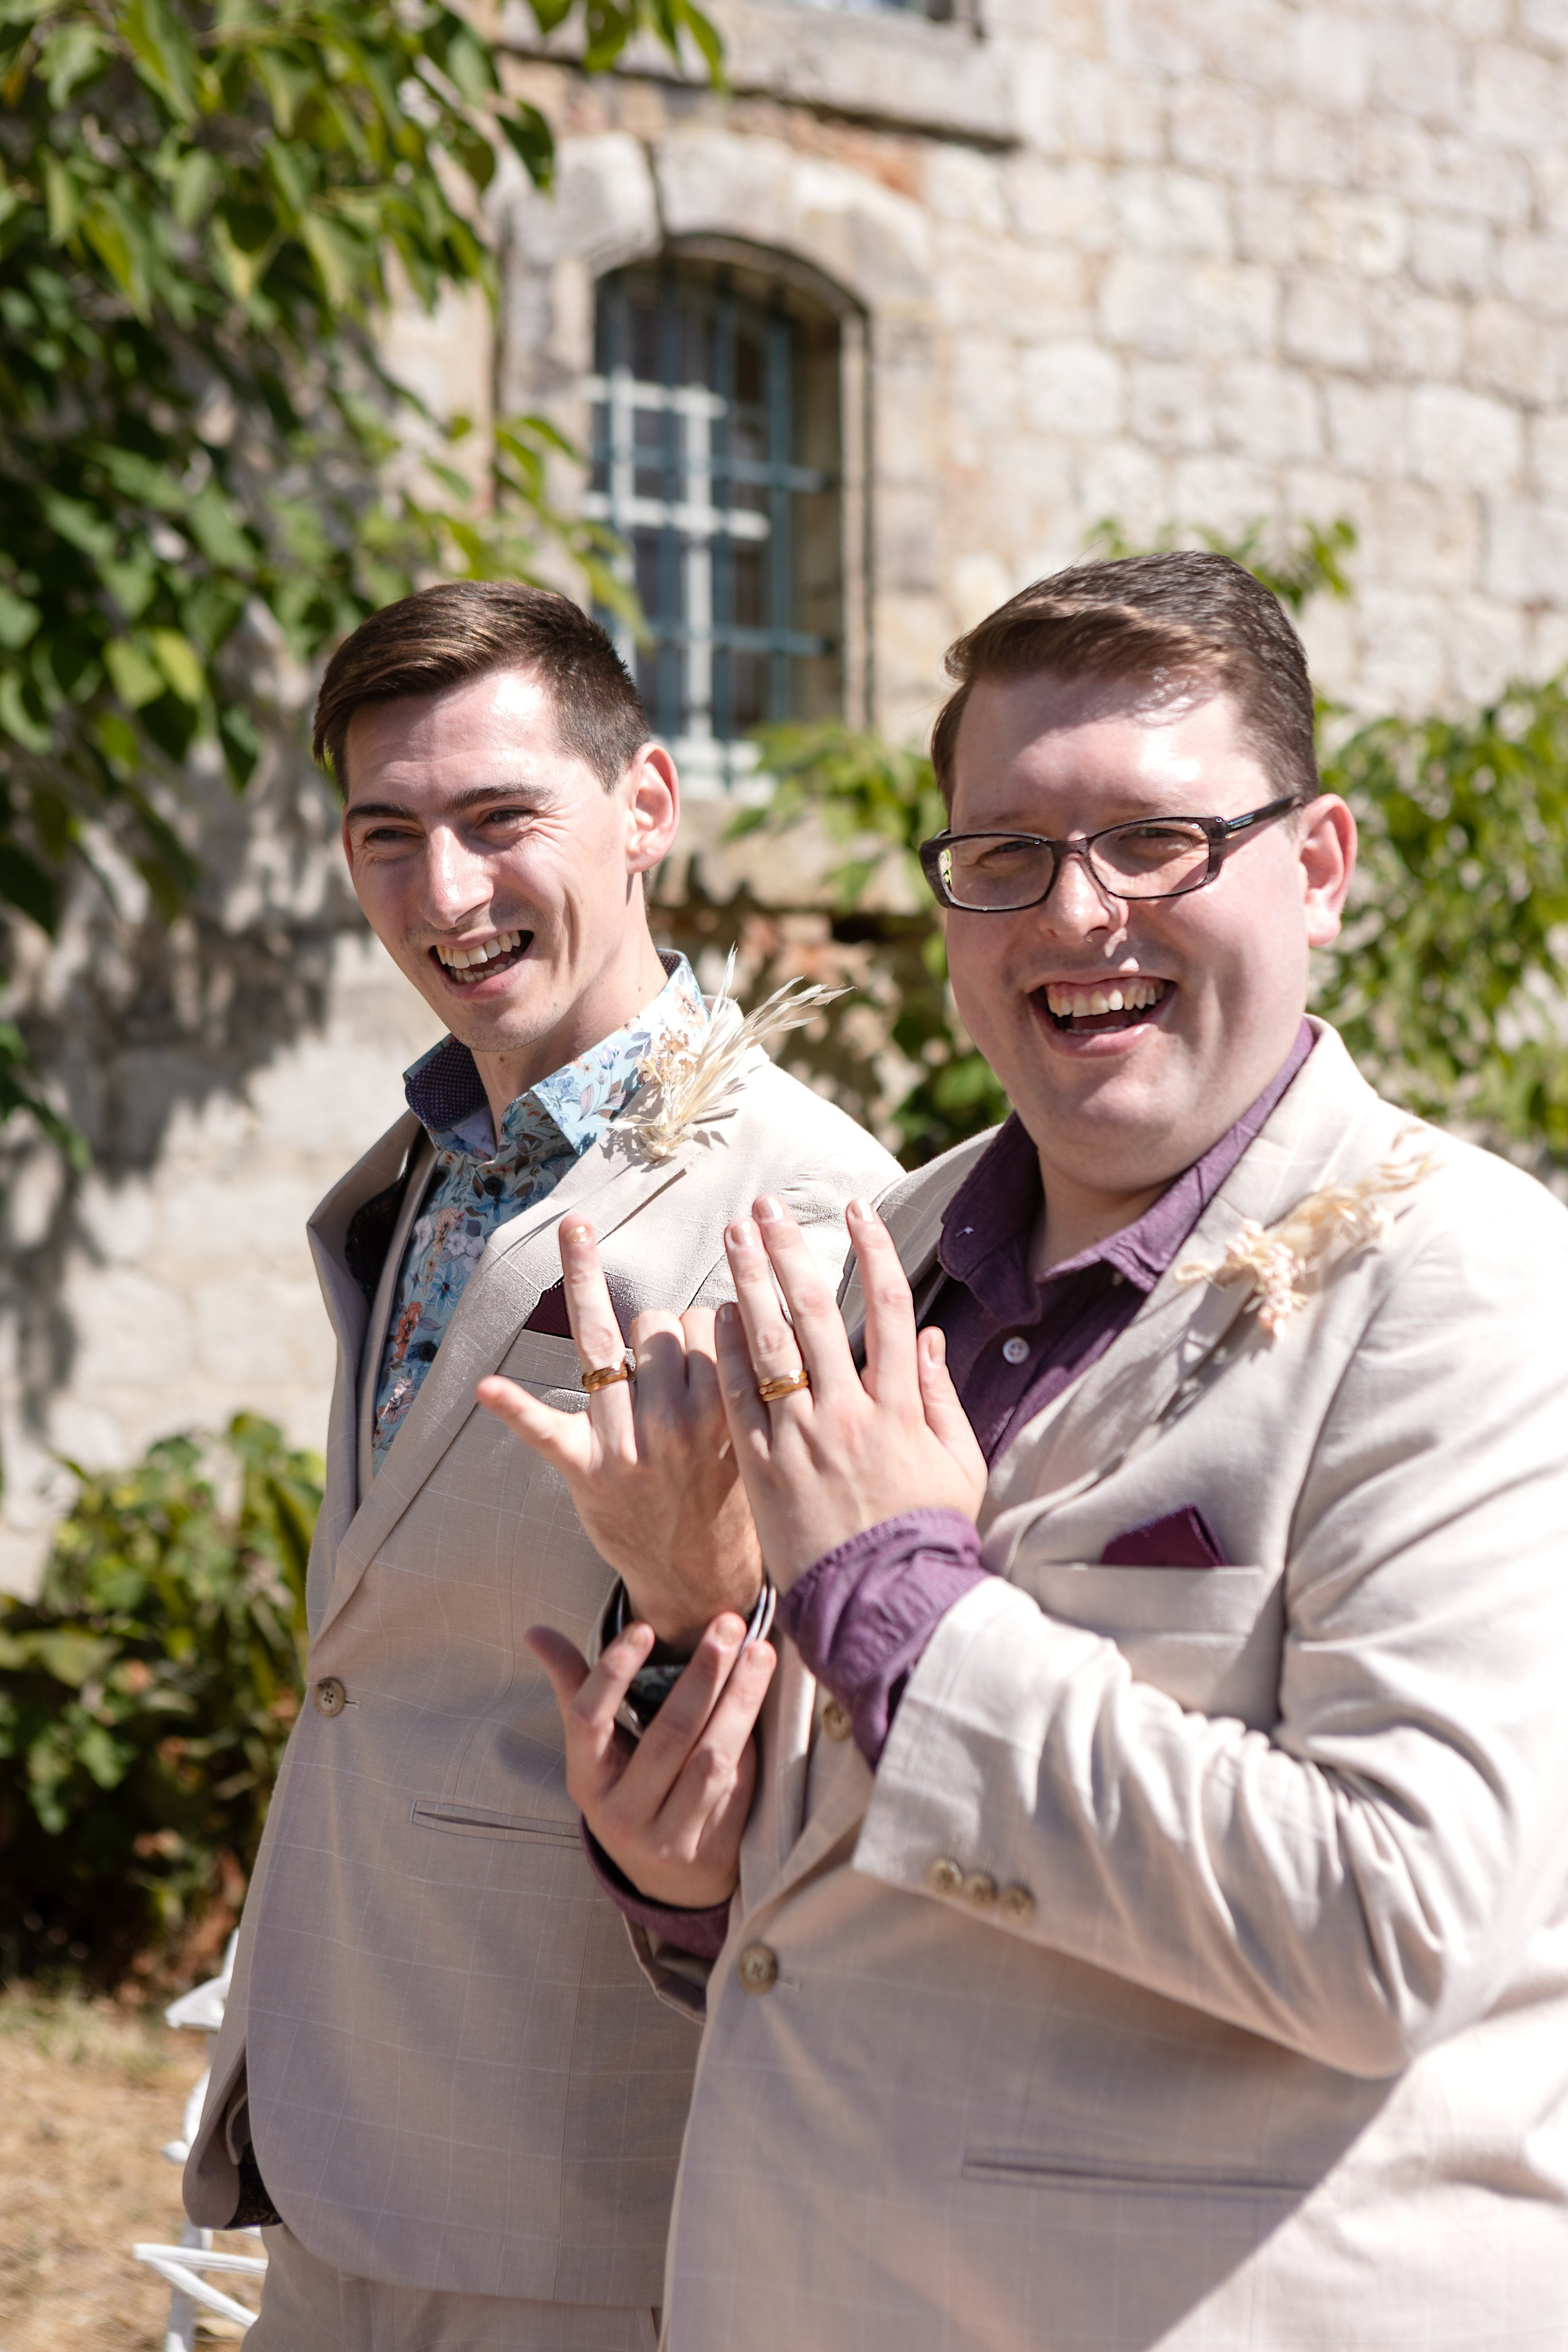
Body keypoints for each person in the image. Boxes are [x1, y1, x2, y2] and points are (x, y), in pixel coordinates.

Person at [505, 554, 1568, 2350]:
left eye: (1155, 842)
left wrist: (903, 1604)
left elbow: (1388, 1926)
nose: (1077, 917)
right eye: (1003, 857)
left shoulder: (1467, 1284)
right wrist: (689, 1842)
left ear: (1317, 873)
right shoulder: (883, 1258)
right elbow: (852, 1887)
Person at [181, 581, 898, 2350]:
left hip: (579, 2190)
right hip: (342, 2132)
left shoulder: (799, 1202)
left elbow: (841, 1718)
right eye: (388, 835)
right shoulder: (433, 1159)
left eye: (503, 819)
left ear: (646, 804)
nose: (445, 894)